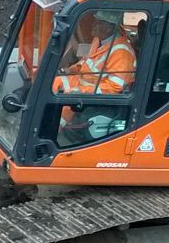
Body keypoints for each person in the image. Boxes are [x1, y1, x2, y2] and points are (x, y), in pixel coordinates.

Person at [52, 10, 140, 143]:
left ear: (110, 27)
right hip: (83, 82)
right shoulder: (99, 40)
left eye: (99, 22)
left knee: (69, 96)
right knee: (53, 82)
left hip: (98, 96)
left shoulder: (121, 53)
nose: (94, 24)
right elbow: (86, 62)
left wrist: (82, 91)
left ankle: (53, 133)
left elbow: (115, 87)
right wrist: (70, 70)